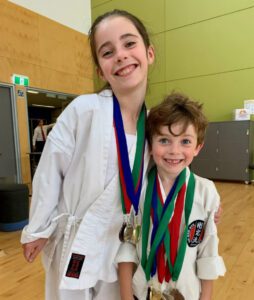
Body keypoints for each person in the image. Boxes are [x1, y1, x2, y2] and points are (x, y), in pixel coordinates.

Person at [21, 9, 155, 300]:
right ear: (100, 71)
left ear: (149, 53)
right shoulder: (86, 110)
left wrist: (199, 201)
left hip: (124, 246)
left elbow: (170, 176)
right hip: (78, 241)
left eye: (129, 44)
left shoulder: (156, 124)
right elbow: (49, 169)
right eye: (107, 52)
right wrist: (39, 228)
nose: (120, 55)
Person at [117, 93, 226, 300]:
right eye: (164, 140)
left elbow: (208, 251)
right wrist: (125, 295)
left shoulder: (205, 191)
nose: (174, 151)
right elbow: (127, 244)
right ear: (150, 144)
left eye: (185, 141)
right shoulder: (137, 189)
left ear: (198, 147)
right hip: (140, 292)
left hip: (186, 293)